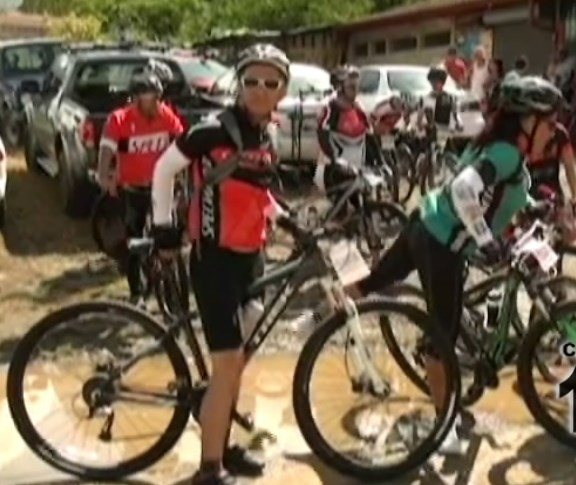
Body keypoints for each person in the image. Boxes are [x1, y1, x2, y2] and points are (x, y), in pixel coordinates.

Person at [346, 75, 564, 453]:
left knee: (372, 283)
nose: (555, 132)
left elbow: (499, 193)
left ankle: (323, 318)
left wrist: (533, 207)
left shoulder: (497, 148)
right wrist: (485, 239)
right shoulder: (506, 153)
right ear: (527, 121)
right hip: (441, 243)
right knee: (441, 336)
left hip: (424, 224)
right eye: (549, 124)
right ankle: (442, 425)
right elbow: (465, 190)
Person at [151, 43, 290, 485]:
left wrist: (288, 222)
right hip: (214, 262)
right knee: (228, 363)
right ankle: (208, 471)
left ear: (283, 89)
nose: (259, 91)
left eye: (270, 83)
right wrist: (164, 229)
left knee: (235, 366)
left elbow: (257, 191)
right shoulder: (212, 130)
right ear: (239, 83)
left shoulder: (269, 133)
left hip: (253, 258)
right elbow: (162, 170)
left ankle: (223, 446)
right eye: (251, 81)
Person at [97, 59, 184, 303]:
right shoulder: (119, 120)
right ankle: (137, 293)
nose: (156, 104)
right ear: (137, 99)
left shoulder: (167, 116)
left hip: (162, 186)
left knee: (168, 235)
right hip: (133, 188)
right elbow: (106, 150)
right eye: (150, 99)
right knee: (133, 241)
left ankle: (172, 287)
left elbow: (182, 144)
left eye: (158, 98)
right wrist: (105, 175)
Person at [314, 65, 380, 195]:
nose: (355, 91)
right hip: (334, 170)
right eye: (351, 87)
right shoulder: (331, 107)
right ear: (340, 87)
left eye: (357, 87)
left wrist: (380, 161)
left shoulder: (358, 106)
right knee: (341, 211)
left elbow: (369, 135)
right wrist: (334, 160)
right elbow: (322, 134)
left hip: (357, 168)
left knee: (363, 208)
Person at [519, 110, 576, 200]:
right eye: (550, 125)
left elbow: (570, 168)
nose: (553, 132)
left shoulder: (560, 135)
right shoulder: (519, 142)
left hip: (554, 199)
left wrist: (574, 198)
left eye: (555, 125)